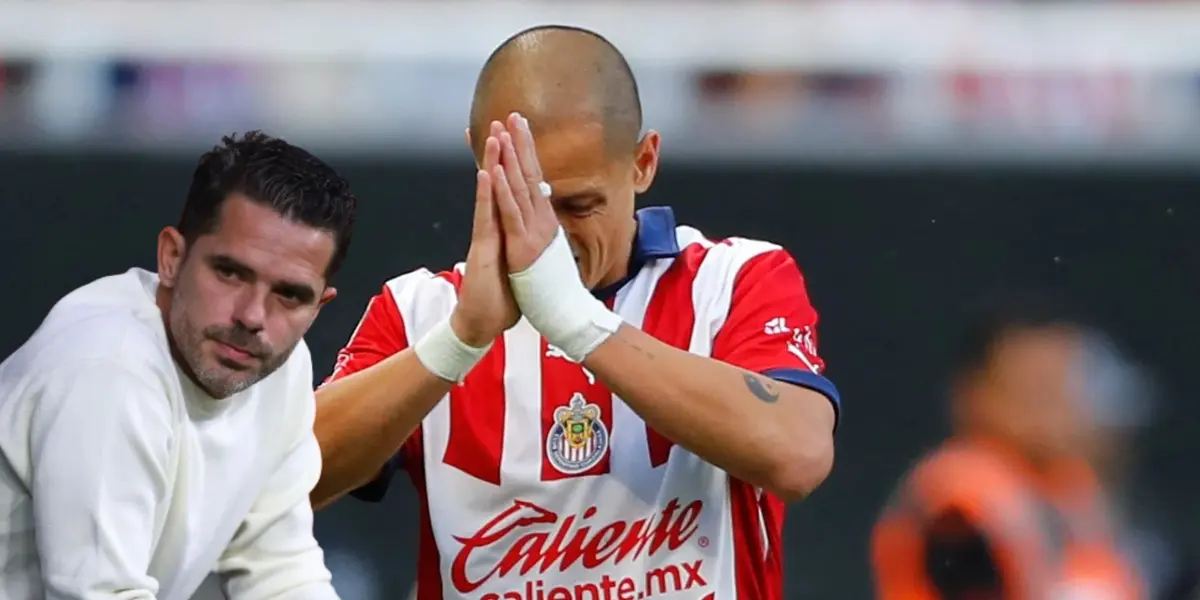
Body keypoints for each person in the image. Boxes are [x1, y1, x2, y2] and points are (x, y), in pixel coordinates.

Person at [313, 25, 840, 599]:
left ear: (643, 162)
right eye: (525, 199)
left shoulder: (733, 281)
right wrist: (461, 340)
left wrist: (577, 322)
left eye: (580, 205)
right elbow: (283, 480)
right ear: (479, 160)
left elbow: (799, 456)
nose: (551, 236)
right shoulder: (422, 312)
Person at [0, 132, 355, 600]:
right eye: (230, 272)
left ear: (317, 308)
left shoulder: (278, 369)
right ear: (172, 257)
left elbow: (281, 570)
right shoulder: (109, 369)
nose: (252, 316)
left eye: (289, 295)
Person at [870, 298, 1144, 600]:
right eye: (1035, 391)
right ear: (974, 394)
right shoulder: (960, 497)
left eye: (1061, 388)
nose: (1053, 410)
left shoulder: (1072, 482)